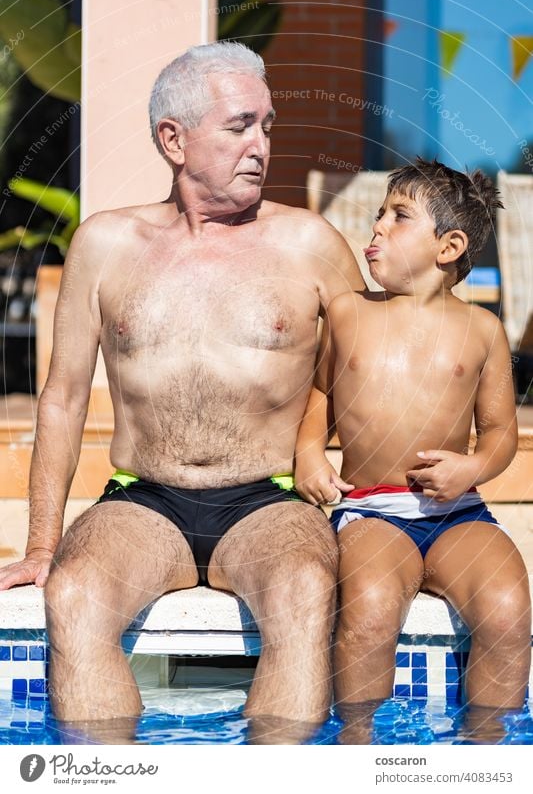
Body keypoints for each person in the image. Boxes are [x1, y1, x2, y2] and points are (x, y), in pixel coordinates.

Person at [0, 42, 364, 737]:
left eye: (267, 125)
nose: (260, 144)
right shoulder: (106, 244)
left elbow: (359, 368)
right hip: (144, 498)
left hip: (269, 497)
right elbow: (63, 396)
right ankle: (108, 779)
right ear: (174, 139)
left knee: (304, 588)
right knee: (72, 595)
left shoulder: (309, 243)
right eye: (239, 126)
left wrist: (317, 445)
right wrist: (42, 545)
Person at [295, 158, 531, 734]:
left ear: (447, 246)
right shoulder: (349, 313)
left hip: (458, 513)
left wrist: (473, 466)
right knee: (371, 613)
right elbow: (318, 402)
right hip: (373, 510)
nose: (376, 228)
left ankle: (487, 748)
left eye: (398, 216)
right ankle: (357, 741)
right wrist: (306, 456)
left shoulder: (483, 331)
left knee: (508, 612)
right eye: (378, 214)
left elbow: (501, 432)